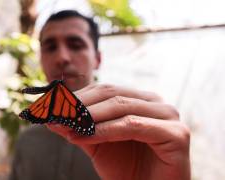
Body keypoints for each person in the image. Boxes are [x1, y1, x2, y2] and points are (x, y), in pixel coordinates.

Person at [10, 10, 191, 180]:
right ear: (41, 59)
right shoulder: (27, 140)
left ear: (97, 58)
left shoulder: (135, 136)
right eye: (50, 47)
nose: (62, 57)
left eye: (75, 45)